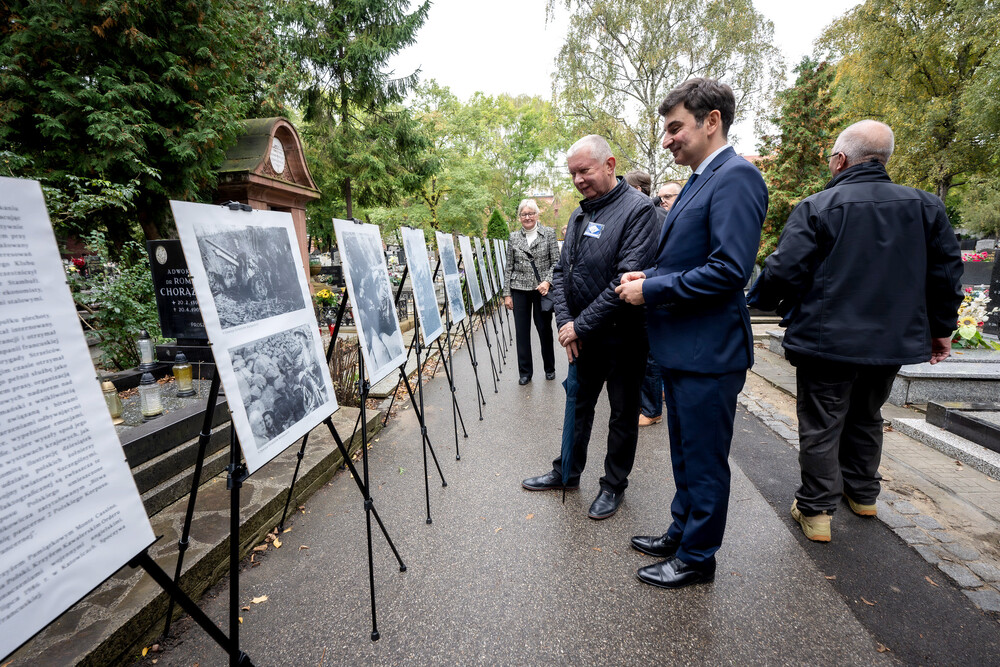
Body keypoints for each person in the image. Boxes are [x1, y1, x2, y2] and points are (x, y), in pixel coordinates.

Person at [747, 120, 963, 542]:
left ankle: (816, 510)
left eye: (831, 158)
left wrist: (758, 302)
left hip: (828, 342)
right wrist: (942, 330)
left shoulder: (819, 206)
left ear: (841, 159)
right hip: (890, 342)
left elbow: (784, 270)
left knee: (823, 423)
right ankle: (862, 494)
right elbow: (945, 276)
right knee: (867, 414)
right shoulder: (926, 207)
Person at [616, 78, 767, 588]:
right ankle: (682, 531)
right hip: (685, 349)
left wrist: (652, 291)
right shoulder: (703, 178)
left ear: (712, 121)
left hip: (708, 352)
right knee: (684, 453)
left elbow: (729, 271)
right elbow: (691, 259)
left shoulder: (736, 178)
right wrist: (651, 276)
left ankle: (698, 557)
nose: (667, 140)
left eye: (675, 127)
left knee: (703, 462)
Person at [522, 135, 659, 520]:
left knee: (621, 413)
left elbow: (624, 282)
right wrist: (566, 323)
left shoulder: (638, 211)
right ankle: (566, 471)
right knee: (578, 405)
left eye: (585, 170)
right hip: (583, 337)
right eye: (573, 173)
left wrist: (577, 326)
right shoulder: (580, 214)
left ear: (610, 164)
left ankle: (613, 485)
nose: (578, 179)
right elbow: (562, 272)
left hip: (624, 337)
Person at [503, 199, 560, 384]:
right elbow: (508, 267)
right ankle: (525, 373)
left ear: (537, 215)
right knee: (522, 332)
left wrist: (547, 282)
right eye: (524, 214)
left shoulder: (549, 234)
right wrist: (507, 294)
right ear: (519, 217)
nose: (527, 217)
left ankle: (549, 368)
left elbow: (557, 263)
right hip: (519, 289)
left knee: (544, 330)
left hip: (541, 290)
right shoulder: (513, 237)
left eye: (531, 213)